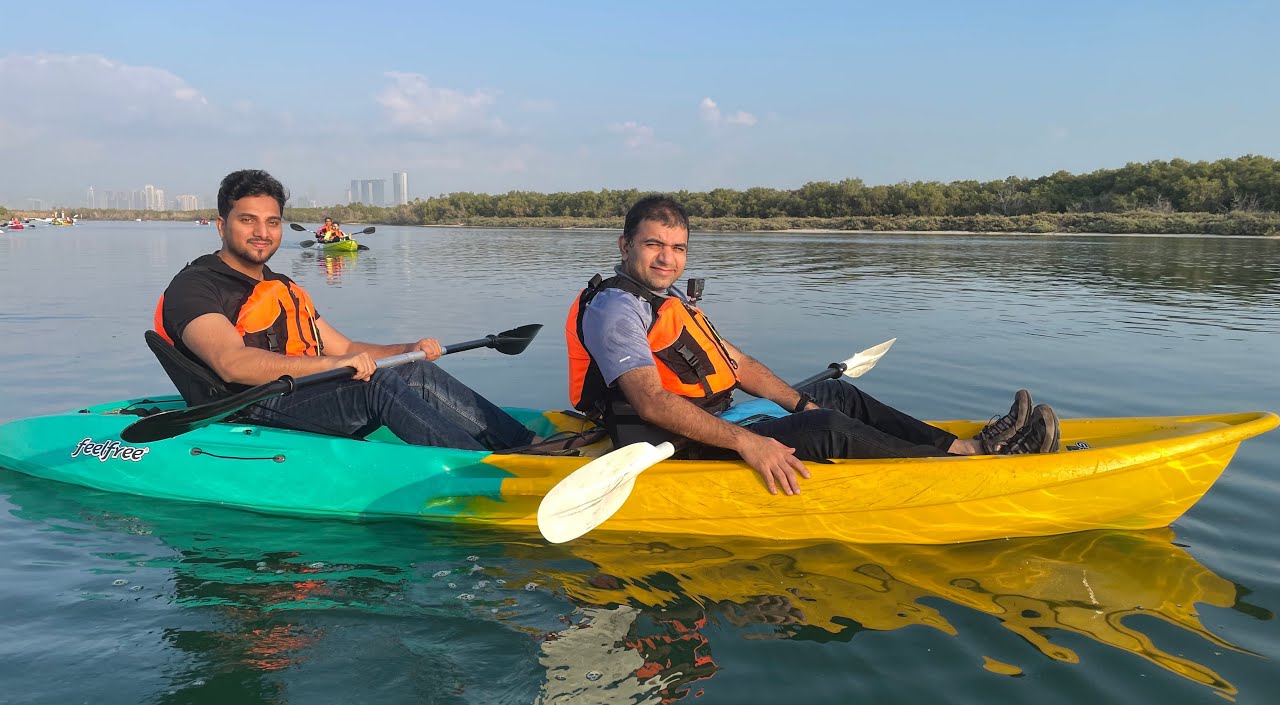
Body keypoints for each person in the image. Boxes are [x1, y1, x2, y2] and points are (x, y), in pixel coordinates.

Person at [566, 195, 1061, 496]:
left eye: (677, 248)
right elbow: (651, 402)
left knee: (833, 398)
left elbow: (738, 365)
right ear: (625, 245)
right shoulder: (617, 308)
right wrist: (750, 442)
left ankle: (965, 448)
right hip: (665, 448)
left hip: (714, 421)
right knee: (825, 426)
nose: (666, 258)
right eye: (654, 244)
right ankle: (970, 475)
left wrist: (800, 402)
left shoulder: (667, 298)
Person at [153, 169, 553, 452]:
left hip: (301, 393)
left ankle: (532, 448)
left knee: (406, 367)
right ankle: (480, 470)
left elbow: (343, 346)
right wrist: (339, 367)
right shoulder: (195, 287)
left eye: (272, 222)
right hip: (251, 407)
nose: (263, 232)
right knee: (375, 383)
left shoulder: (282, 286)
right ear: (221, 225)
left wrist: (405, 348)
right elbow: (232, 364)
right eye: (248, 220)